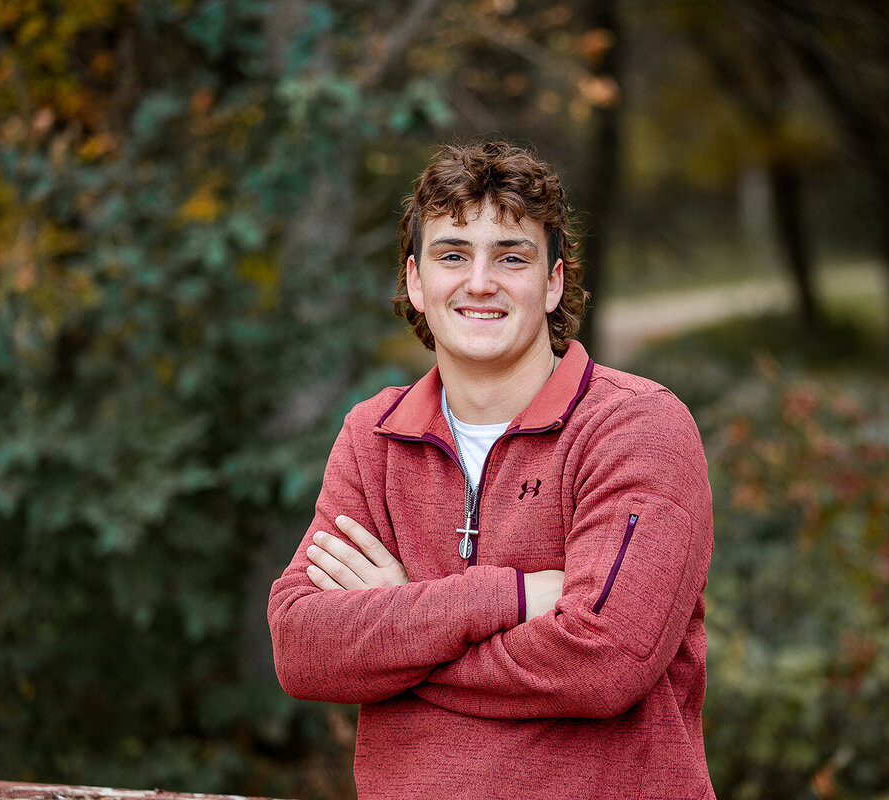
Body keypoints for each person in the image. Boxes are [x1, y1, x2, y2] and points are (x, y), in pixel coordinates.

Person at [268, 141, 715, 799]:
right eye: (453, 255)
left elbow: (604, 662)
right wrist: (508, 598)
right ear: (416, 282)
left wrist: (400, 621)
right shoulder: (376, 436)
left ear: (554, 281)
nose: (480, 282)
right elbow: (303, 649)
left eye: (511, 257)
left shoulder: (635, 426)